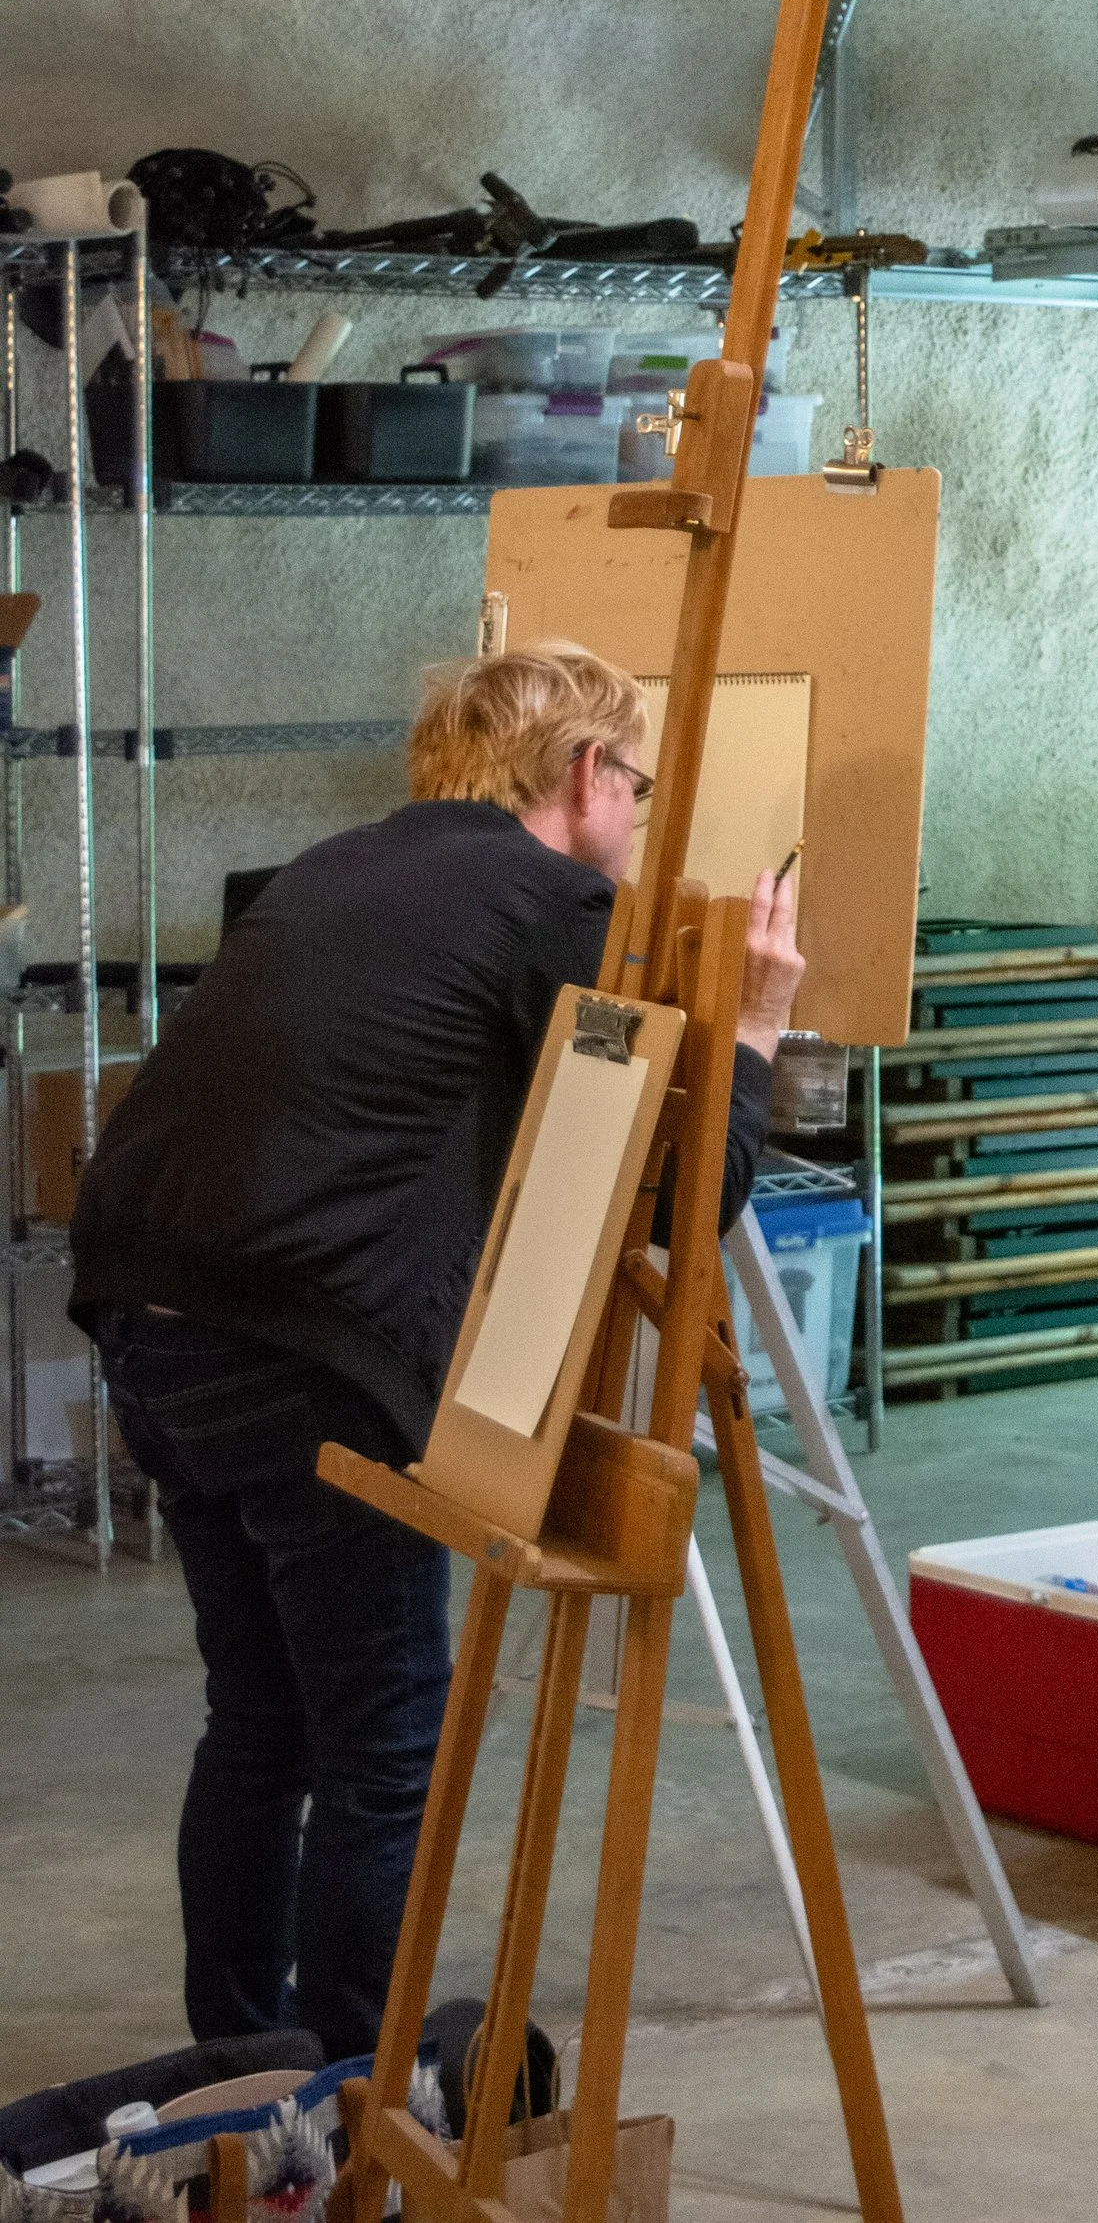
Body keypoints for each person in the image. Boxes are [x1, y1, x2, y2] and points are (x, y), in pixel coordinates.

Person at [70, 642, 800, 2062]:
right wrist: (758, 1032)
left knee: (259, 1722)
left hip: (148, 1321)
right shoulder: (556, 906)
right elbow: (674, 1203)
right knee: (381, 1745)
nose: (639, 820)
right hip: (300, 1351)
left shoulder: (331, 868)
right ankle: (355, 2097)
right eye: (639, 787)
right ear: (583, 773)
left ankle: (242, 2069)